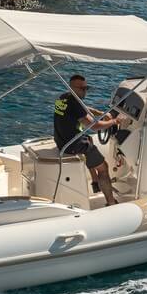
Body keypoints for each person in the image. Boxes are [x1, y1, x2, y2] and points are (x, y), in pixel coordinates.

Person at [53, 74, 120, 205]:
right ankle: (111, 202)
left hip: (61, 140)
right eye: (82, 89)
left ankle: (95, 180)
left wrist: (100, 113)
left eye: (86, 88)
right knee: (104, 168)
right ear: (72, 88)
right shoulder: (75, 104)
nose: (85, 91)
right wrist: (114, 121)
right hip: (72, 145)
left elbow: (83, 109)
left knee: (89, 139)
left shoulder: (63, 97)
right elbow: (95, 126)